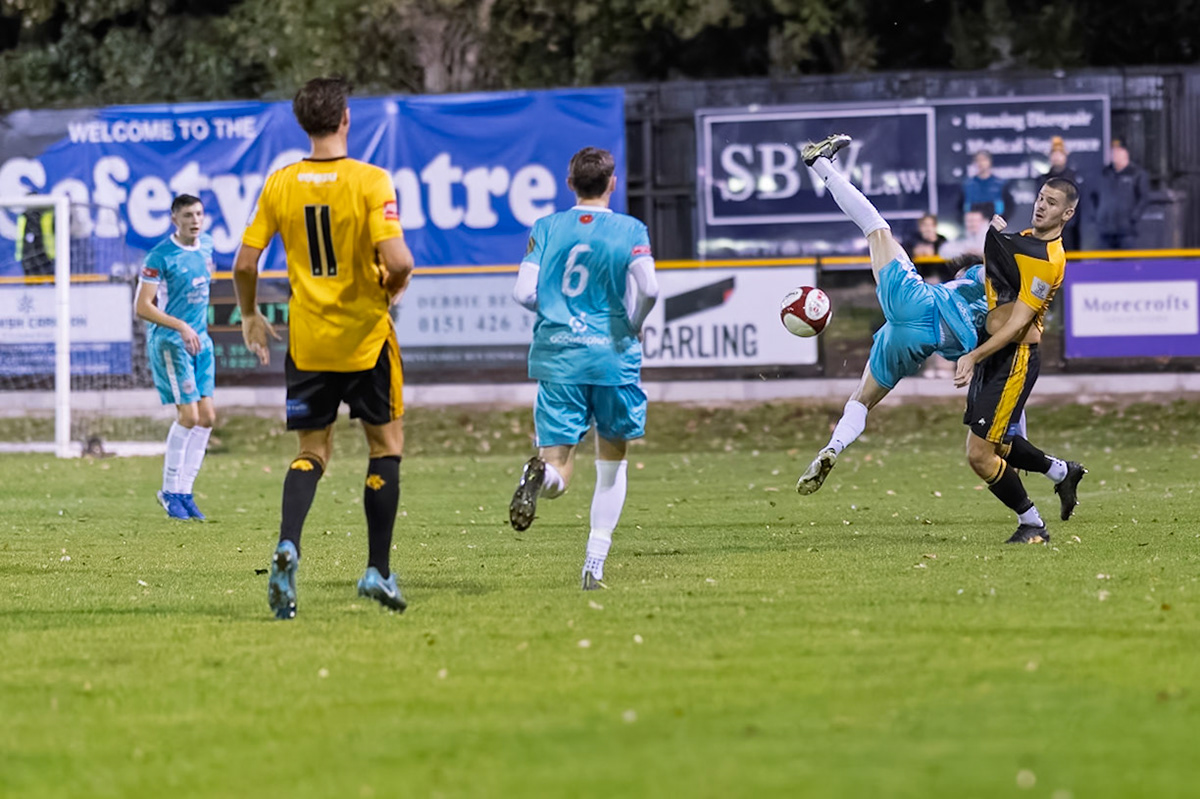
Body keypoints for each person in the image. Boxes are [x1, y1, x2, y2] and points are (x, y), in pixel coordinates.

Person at [795, 135, 1080, 516]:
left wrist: (992, 242)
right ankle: (1043, 488)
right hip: (936, 337)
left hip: (912, 308)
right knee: (1004, 395)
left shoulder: (982, 275)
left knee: (877, 228)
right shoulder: (992, 283)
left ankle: (821, 166)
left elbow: (1012, 297)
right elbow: (1012, 351)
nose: (1041, 205)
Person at [233, 76, 416, 620]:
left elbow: (245, 263)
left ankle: (289, 543)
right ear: (345, 119)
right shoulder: (370, 180)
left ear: (303, 124)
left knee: (312, 452)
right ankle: (377, 571)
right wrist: (392, 284)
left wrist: (249, 314)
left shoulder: (280, 182)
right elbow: (400, 259)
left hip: (308, 342)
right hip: (364, 340)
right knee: (385, 446)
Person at [507, 146, 659, 591]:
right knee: (611, 465)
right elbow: (649, 287)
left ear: (570, 183)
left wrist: (554, 307)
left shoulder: (547, 227)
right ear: (612, 183)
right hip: (612, 356)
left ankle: (540, 477)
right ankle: (594, 564)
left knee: (558, 463)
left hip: (559, 356)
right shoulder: (630, 228)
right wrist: (633, 323)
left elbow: (522, 292)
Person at [954, 177, 1088, 544]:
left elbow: (1016, 325)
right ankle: (1062, 473)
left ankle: (1032, 524)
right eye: (1041, 197)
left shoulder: (1047, 260)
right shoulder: (1028, 238)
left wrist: (973, 355)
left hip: (1014, 356)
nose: (1041, 205)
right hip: (996, 352)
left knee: (980, 455)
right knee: (997, 443)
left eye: (1052, 202)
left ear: (1068, 213)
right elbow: (1002, 279)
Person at [134, 194, 216, 521]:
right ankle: (170, 492)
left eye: (198, 214)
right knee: (189, 417)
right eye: (187, 215)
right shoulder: (160, 256)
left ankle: (185, 491)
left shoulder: (207, 245)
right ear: (174, 219)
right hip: (171, 341)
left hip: (201, 341)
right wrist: (181, 325)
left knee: (207, 417)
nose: (194, 220)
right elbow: (142, 306)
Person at [1094, 139, 1148, 250]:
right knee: (1105, 266)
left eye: (1118, 151)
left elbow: (1144, 198)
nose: (1115, 154)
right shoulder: (1104, 173)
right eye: (1113, 151)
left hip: (1127, 231)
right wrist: (1099, 215)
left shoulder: (1136, 174)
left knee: (1127, 264)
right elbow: (1094, 196)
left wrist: (1133, 217)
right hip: (1106, 230)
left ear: (1126, 153)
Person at [1037, 137, 1083, 251]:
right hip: (1048, 229)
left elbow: (1081, 207)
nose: (1056, 157)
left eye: (1059, 154)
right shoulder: (1042, 180)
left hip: (1070, 229)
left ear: (1065, 156)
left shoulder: (1074, 178)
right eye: (1054, 154)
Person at [961, 151, 1014, 220]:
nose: (981, 163)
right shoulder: (967, 185)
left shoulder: (1001, 184)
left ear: (990, 162)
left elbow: (1009, 206)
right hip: (973, 225)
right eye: (978, 160)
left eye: (983, 160)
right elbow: (960, 207)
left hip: (995, 224)